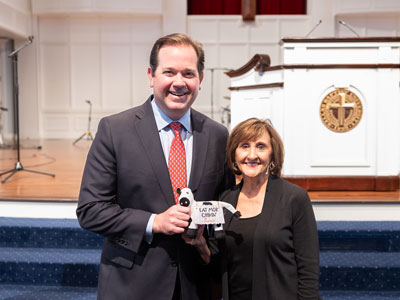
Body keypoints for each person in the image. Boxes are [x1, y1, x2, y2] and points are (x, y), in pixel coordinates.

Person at [76, 33, 234, 300]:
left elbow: (225, 206)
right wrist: (154, 222)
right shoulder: (115, 130)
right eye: (169, 72)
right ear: (151, 76)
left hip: (195, 283)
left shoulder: (218, 135)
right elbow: (90, 210)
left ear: (201, 79)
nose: (179, 83)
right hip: (132, 283)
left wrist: (207, 250)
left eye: (189, 73)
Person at [209, 118, 321, 300]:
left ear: (272, 155)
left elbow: (308, 268)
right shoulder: (225, 200)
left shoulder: (294, 198)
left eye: (261, 147)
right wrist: (198, 243)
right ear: (234, 154)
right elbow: (217, 260)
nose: (252, 155)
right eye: (244, 146)